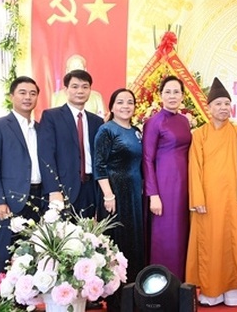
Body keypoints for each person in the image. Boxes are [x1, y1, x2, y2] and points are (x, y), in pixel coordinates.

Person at [186, 77, 237, 306]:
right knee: (210, 243)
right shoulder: (199, 135)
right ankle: (211, 290)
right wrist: (197, 198)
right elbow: (194, 167)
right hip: (208, 199)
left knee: (233, 241)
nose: (223, 108)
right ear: (209, 108)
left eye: (227, 104)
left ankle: (233, 288)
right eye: (218, 104)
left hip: (234, 198)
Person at [0, 76, 44, 280]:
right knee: (6, 249)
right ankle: (1, 300)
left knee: (33, 251)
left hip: (39, 198)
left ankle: (26, 300)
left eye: (32, 93)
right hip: (10, 200)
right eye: (22, 92)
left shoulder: (40, 128)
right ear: (12, 96)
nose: (28, 97)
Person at [93, 88, 145, 312]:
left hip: (133, 194)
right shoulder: (106, 130)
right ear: (112, 106)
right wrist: (108, 194)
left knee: (133, 244)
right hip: (114, 196)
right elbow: (99, 165)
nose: (126, 106)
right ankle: (115, 300)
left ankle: (132, 295)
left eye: (130, 102)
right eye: (120, 102)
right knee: (117, 245)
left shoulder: (135, 131)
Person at [142, 75, 192, 281]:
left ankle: (179, 284)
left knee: (181, 235)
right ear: (161, 95)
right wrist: (153, 194)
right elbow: (147, 160)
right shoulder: (154, 122)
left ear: (182, 95)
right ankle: (160, 286)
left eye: (176, 92)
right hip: (163, 187)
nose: (172, 96)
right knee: (165, 236)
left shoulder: (183, 121)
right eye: (168, 92)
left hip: (184, 186)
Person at [39, 69, 104, 218]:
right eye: (75, 87)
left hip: (90, 189)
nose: (80, 91)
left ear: (90, 90)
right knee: (64, 238)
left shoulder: (97, 121)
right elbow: (46, 155)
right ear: (66, 90)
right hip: (63, 189)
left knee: (88, 237)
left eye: (85, 87)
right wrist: (54, 190)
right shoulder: (51, 117)